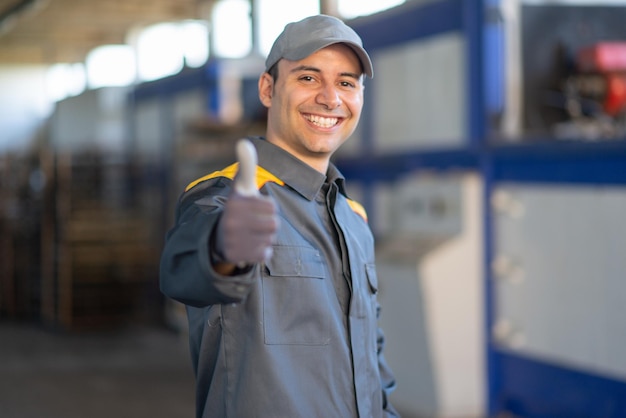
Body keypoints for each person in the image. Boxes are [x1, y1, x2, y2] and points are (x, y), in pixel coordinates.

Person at [160, 14, 399, 418]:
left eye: (346, 82)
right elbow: (185, 268)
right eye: (308, 78)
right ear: (268, 89)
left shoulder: (353, 218)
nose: (329, 98)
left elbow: (372, 357)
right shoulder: (225, 196)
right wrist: (223, 249)